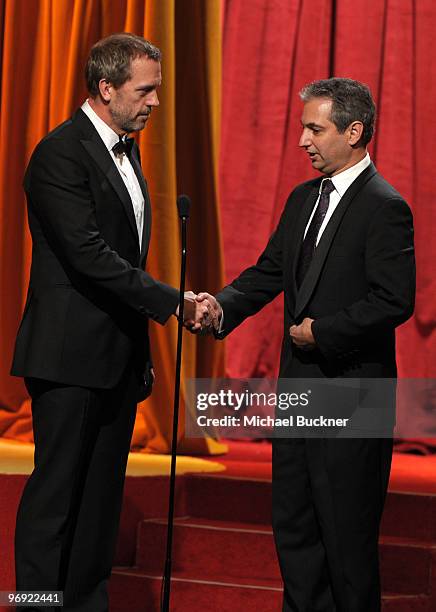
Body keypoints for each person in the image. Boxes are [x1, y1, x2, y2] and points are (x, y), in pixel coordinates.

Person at [195, 78, 416, 611]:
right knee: (294, 531)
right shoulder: (302, 199)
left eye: (315, 129)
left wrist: (324, 331)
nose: (302, 141)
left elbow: (394, 300)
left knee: (346, 542)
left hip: (352, 394)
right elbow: (269, 272)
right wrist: (222, 306)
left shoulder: (385, 207)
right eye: (303, 128)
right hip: (299, 395)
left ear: (354, 131)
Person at [11, 33, 208, 612]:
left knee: (99, 502)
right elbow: (89, 255)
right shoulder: (60, 153)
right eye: (145, 91)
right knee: (56, 501)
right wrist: (173, 301)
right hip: (68, 358)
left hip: (117, 359)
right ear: (106, 87)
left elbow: (124, 256)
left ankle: (86, 604)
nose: (154, 103)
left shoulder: (127, 149)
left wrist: (141, 349)